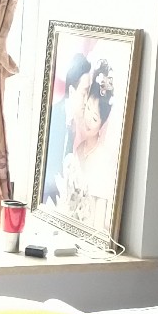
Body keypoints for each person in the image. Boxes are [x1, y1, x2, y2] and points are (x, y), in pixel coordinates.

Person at [57, 61, 118, 234]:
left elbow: (100, 217)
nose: (89, 119)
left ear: (103, 123)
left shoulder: (104, 158)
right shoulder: (79, 148)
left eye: (95, 118)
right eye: (88, 108)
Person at [42, 53, 94, 205]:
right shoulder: (52, 117)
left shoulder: (76, 121)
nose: (87, 101)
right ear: (71, 92)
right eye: (84, 93)